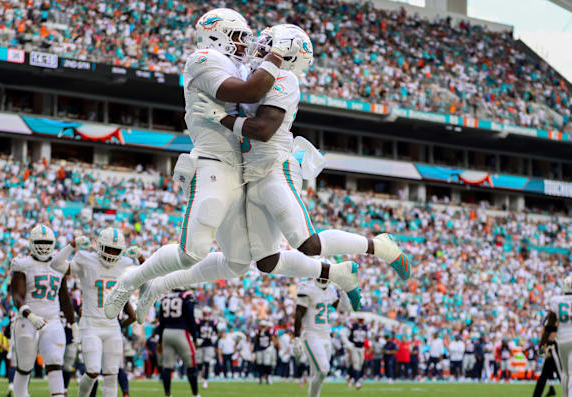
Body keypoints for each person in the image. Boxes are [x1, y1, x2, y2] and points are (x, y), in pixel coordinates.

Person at [133, 23, 411, 322]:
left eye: (270, 43)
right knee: (266, 261)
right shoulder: (254, 76)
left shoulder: (285, 79)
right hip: (251, 175)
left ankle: (379, 246)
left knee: (308, 243)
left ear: (288, 56)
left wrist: (222, 118)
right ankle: (337, 273)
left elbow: (263, 130)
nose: (260, 47)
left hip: (276, 169)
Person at [103, 8, 296, 319]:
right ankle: (129, 282)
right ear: (215, 35)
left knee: (236, 263)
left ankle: (159, 285)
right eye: (236, 37)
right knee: (192, 251)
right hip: (213, 162)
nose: (242, 44)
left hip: (241, 170)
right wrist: (276, 56)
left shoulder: (237, 64)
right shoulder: (203, 58)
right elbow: (249, 91)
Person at [51, 227, 137, 397]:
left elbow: (148, 275)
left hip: (112, 326)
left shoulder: (125, 264)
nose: (111, 254)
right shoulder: (87, 260)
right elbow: (56, 265)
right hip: (91, 324)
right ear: (99, 247)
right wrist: (71, 245)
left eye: (116, 250)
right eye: (108, 249)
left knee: (111, 374)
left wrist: (141, 257)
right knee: (92, 371)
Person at [8, 224, 85, 397]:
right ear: (31, 243)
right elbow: (17, 296)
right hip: (27, 320)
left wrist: (73, 323)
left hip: (52, 320)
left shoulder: (58, 265)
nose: (43, 246)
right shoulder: (22, 264)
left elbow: (64, 298)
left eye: (46, 242)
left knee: (55, 362)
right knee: (25, 366)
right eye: (39, 242)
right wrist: (30, 315)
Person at [292, 277, 351, 397]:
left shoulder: (331, 290)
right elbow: (298, 313)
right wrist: (296, 337)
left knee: (317, 374)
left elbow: (345, 308)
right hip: (311, 334)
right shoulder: (308, 287)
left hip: (326, 335)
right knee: (323, 369)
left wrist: (343, 290)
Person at [153, 288, 200, 397]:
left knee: (167, 365)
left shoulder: (165, 298)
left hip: (166, 333)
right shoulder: (186, 296)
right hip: (181, 332)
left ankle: (168, 394)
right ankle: (195, 394)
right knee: (191, 363)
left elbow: (161, 321)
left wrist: (160, 341)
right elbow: (191, 318)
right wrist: (195, 337)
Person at [196, 306, 219, 387]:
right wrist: (196, 339)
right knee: (199, 362)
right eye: (205, 313)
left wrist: (214, 337)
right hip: (200, 344)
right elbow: (195, 330)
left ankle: (205, 380)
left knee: (207, 362)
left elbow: (216, 332)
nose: (206, 315)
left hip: (209, 344)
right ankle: (199, 375)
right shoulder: (199, 321)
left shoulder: (213, 322)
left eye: (207, 313)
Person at [343, 317, 367, 388]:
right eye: (359, 319)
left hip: (361, 348)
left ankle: (350, 376)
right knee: (356, 364)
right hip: (354, 347)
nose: (361, 321)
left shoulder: (365, 327)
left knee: (360, 364)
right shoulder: (353, 326)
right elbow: (346, 329)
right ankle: (356, 381)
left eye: (362, 319)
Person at [254, 320, 277, 385]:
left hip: (267, 350)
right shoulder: (258, 332)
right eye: (261, 326)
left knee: (267, 364)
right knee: (260, 364)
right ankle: (260, 378)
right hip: (260, 349)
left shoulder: (269, 332)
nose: (262, 327)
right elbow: (255, 341)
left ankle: (268, 377)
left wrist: (272, 346)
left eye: (264, 326)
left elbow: (274, 340)